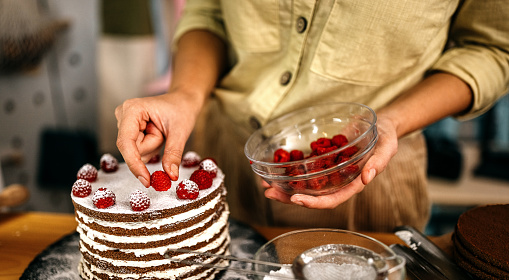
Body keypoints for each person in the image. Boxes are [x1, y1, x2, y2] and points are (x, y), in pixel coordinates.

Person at [115, 0, 509, 232]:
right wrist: (185, 94)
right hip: (225, 153)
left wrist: (390, 121)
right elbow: (210, 10)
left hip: (369, 175)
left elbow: (492, 48)